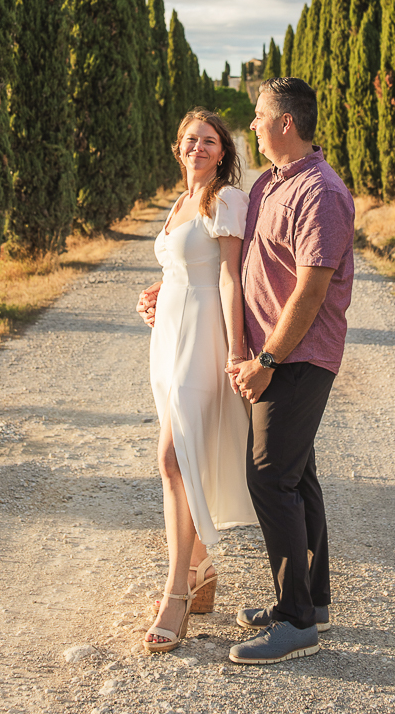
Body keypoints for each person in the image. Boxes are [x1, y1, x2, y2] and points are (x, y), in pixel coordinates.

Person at [228, 76, 354, 666]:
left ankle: (295, 619)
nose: (251, 125)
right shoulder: (268, 184)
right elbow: (244, 260)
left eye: (258, 115)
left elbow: (311, 288)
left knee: (269, 477)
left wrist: (267, 359)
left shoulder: (320, 191)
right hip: (274, 354)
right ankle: (313, 599)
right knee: (297, 475)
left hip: (298, 355)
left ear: (285, 124)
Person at [135, 109, 257, 654]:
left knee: (173, 458)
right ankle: (201, 570)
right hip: (167, 341)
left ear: (223, 151)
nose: (199, 147)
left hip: (205, 338)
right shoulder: (179, 202)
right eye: (191, 140)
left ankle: (176, 595)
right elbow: (178, 267)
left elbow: (229, 277)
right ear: (178, 147)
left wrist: (237, 351)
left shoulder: (225, 199)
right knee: (175, 458)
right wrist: (154, 296)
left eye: (209, 141)